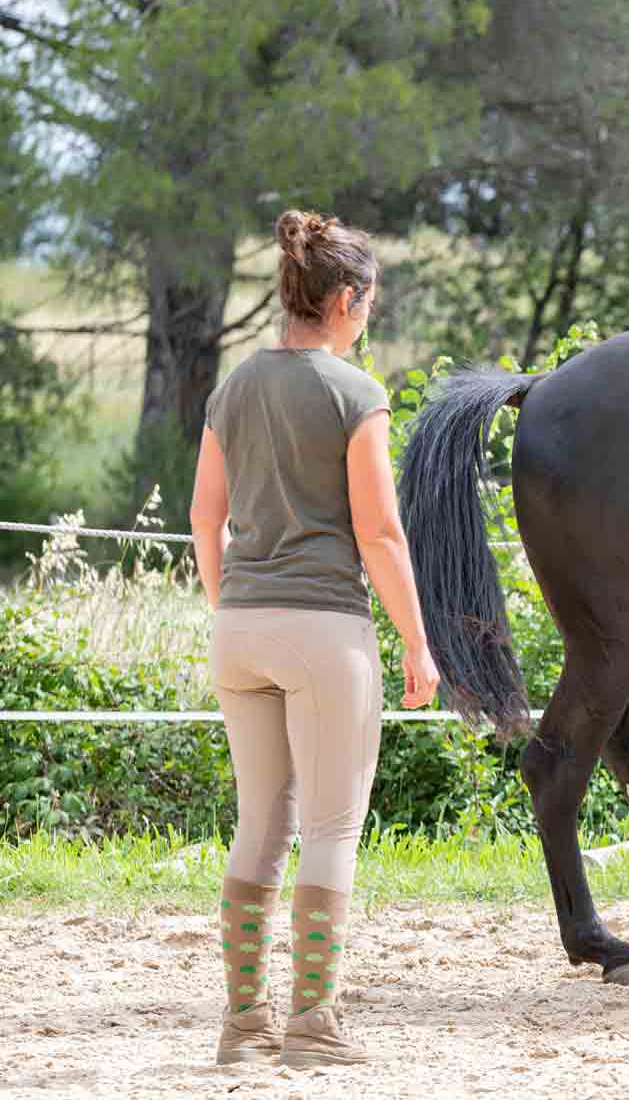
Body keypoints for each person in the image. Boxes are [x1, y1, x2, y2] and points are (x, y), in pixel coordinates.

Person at [188, 210, 440, 1069]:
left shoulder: (233, 387)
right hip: (326, 630)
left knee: (259, 823)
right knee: (332, 829)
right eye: (366, 302)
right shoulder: (354, 394)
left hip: (241, 629)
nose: (368, 315)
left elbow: (204, 515)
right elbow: (380, 535)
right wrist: (416, 638)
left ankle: (242, 1025)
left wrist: (232, 608)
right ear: (341, 300)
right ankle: (312, 1026)